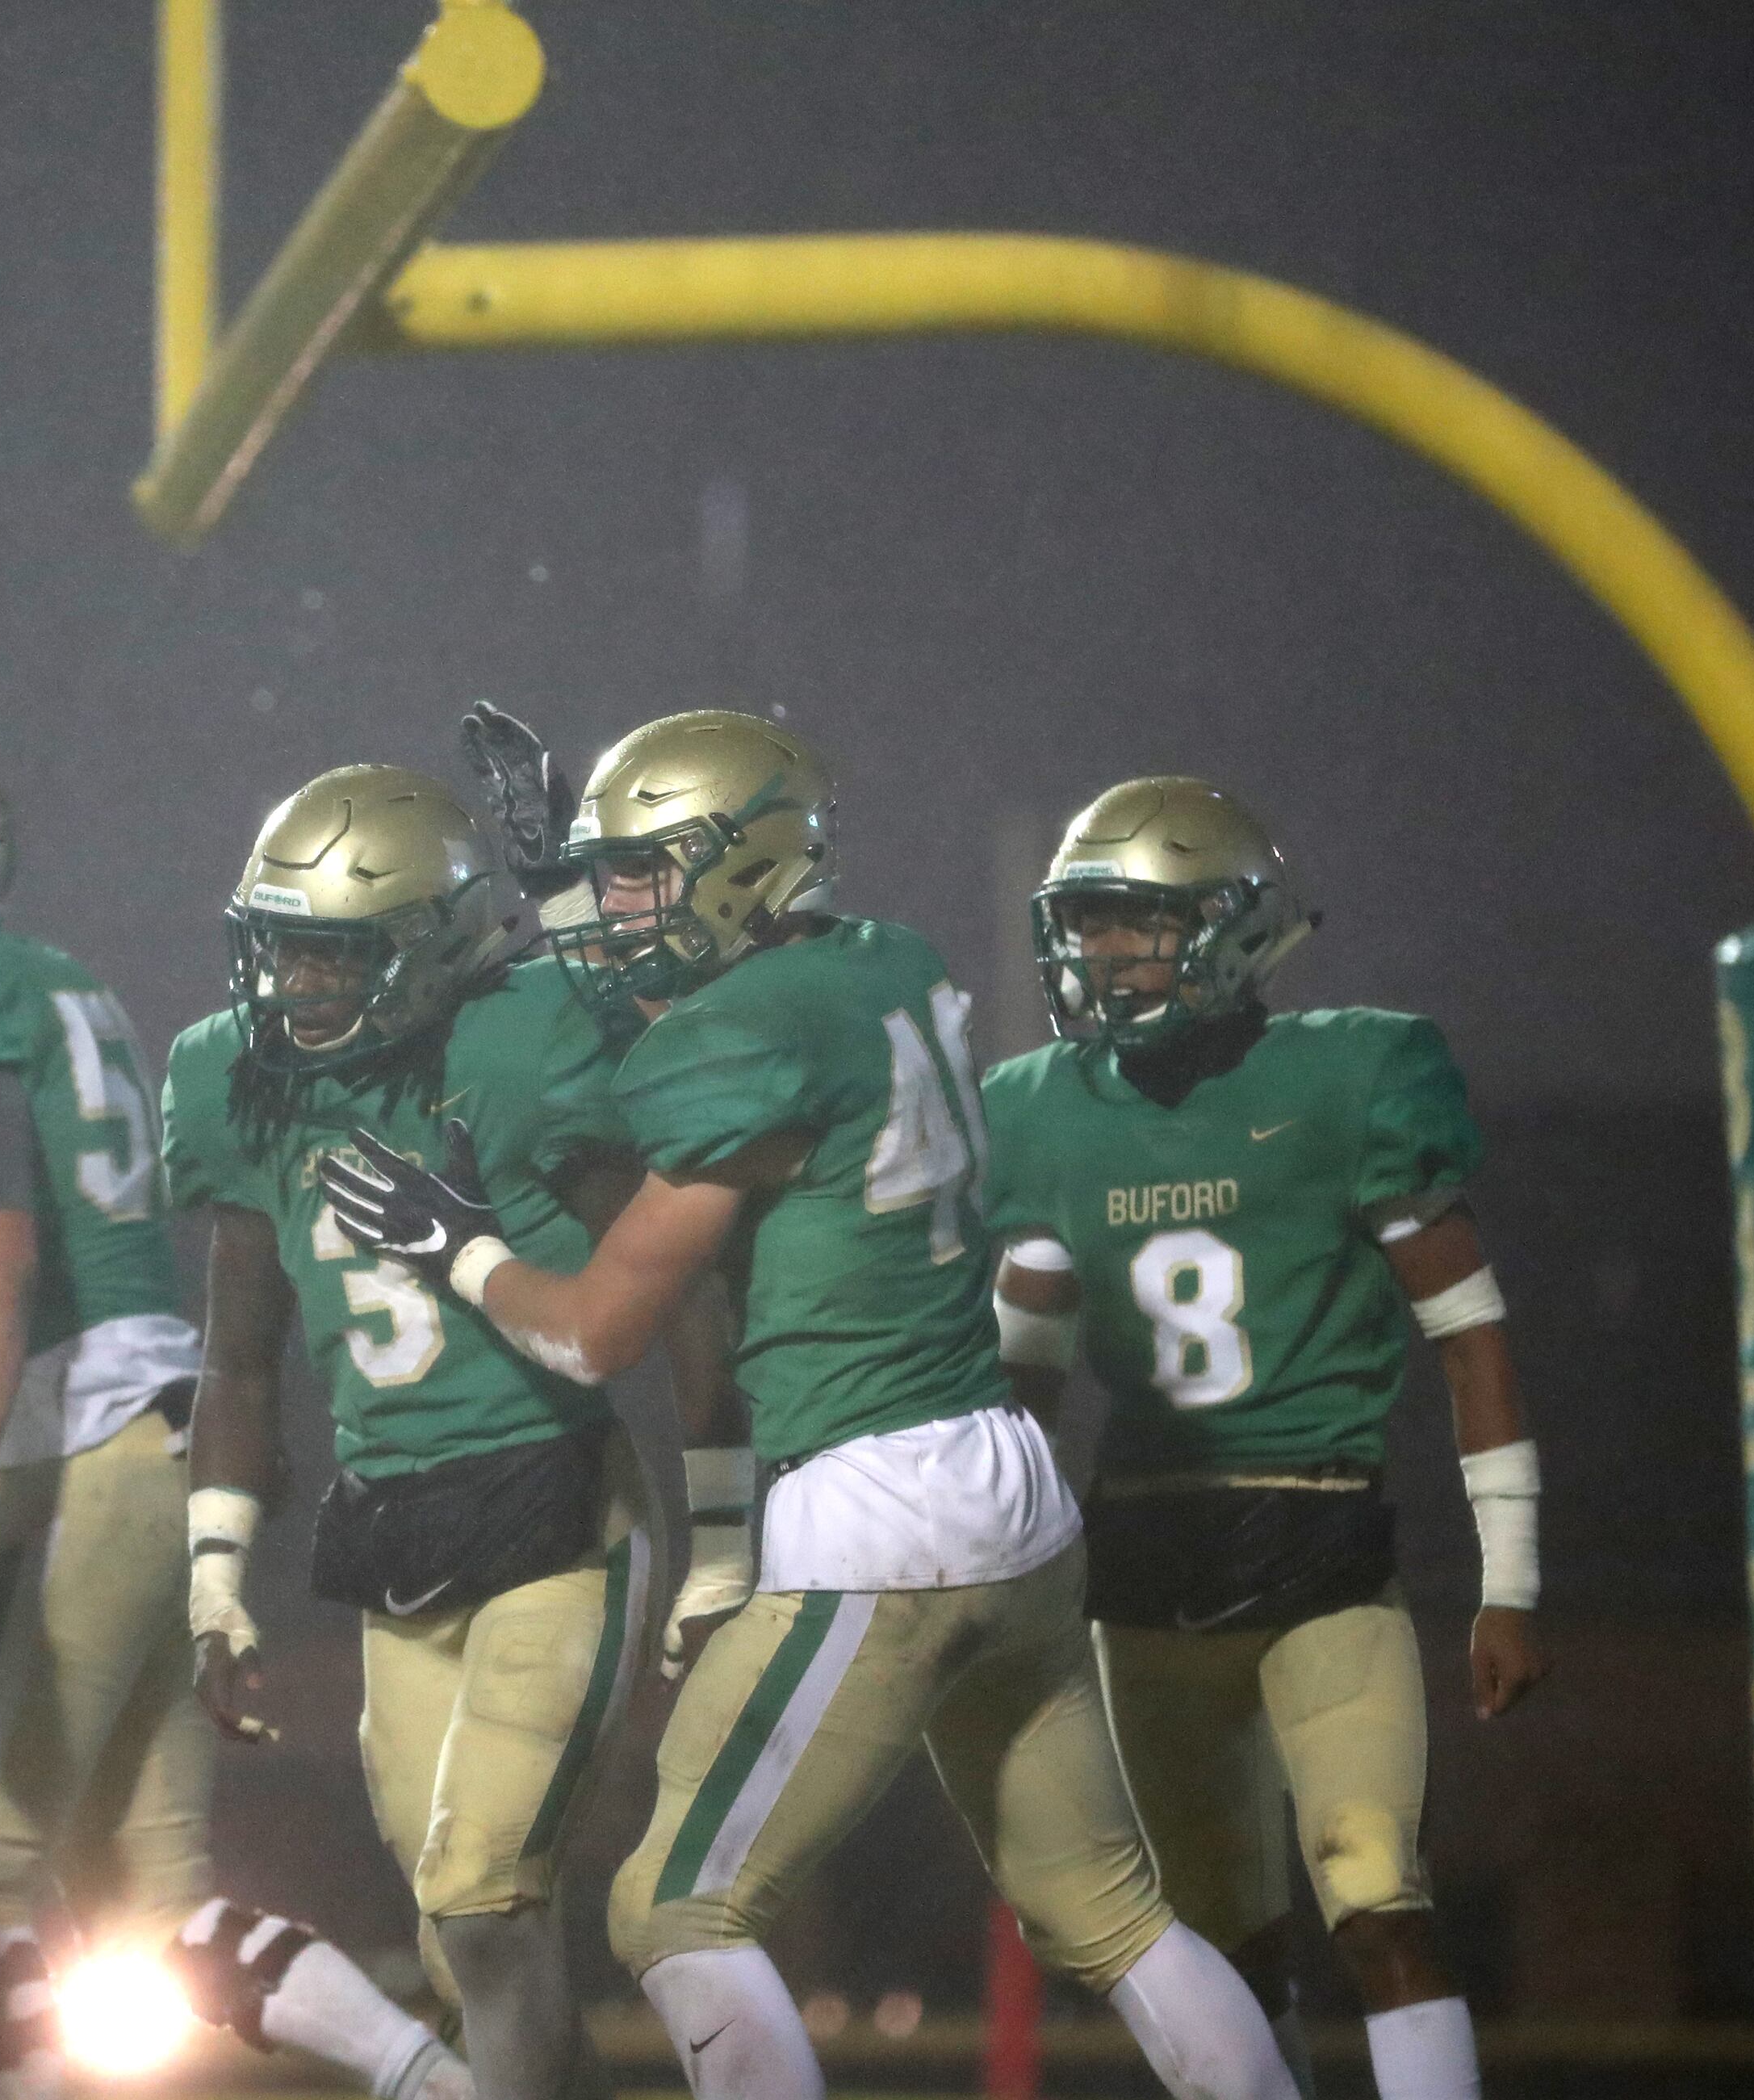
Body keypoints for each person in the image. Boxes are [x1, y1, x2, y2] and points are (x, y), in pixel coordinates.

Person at [322, 710, 1296, 2100]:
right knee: (1115, 1911)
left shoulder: (743, 1036)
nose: (615, 910)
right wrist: (567, 894)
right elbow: (719, 1014)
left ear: (748, 864)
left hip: (874, 1511)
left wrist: (462, 1248)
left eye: (645, 873)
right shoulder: (888, 958)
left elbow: (595, 1332)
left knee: (671, 1906)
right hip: (1010, 1483)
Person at [0, 738, 463, 2100]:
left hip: (63, 1450)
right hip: (158, 1443)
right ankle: (432, 2079)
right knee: (152, 1904)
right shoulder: (53, 981)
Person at [165, 759, 727, 2100]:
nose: (297, 982)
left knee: (483, 1901)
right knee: (465, 1942)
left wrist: (724, 1522)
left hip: (556, 1514)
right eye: (283, 947)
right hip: (394, 1535)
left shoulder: (522, 1043)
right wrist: (214, 1569)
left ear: (434, 948)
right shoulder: (230, 1074)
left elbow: (681, 1289)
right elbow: (238, 1353)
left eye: (336, 952)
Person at [982, 776, 1547, 2100]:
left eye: (1137, 920)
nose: (1104, 951)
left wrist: (1512, 1581)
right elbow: (1022, 1389)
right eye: (1087, 922)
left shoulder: (1349, 1078)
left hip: (1319, 1548)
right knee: (1224, 1948)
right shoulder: (1043, 1108)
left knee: (1379, 1899)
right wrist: (986, 1578)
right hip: (1144, 1569)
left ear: (1233, 928)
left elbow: (1471, 1337)